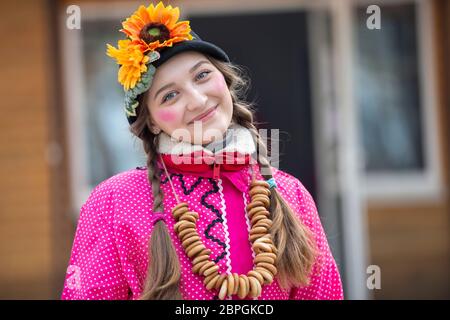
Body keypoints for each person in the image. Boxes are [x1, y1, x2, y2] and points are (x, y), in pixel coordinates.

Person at [61, 1, 343, 300]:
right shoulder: (114, 202)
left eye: (202, 76)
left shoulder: (291, 193)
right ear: (153, 123)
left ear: (225, 80)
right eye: (170, 95)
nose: (196, 100)